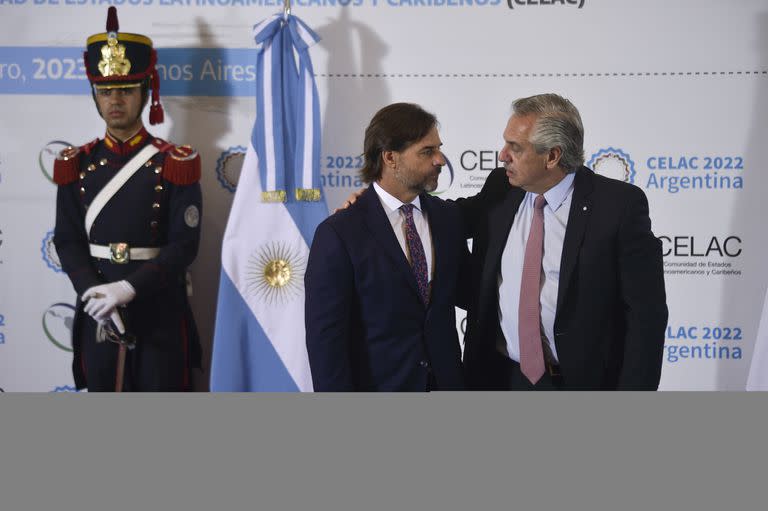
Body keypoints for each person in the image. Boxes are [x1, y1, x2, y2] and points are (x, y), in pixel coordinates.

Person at [459, 93, 668, 390]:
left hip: (580, 385)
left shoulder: (618, 207)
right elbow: (449, 219)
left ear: (552, 156)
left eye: (515, 147)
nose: (503, 155)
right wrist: (377, 204)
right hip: (501, 378)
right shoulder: (501, 188)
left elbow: (646, 316)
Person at [53, 7, 202, 391]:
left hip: (158, 311)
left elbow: (184, 246)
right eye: (105, 91)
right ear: (95, 96)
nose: (114, 100)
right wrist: (94, 291)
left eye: (125, 90)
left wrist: (129, 288)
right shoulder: (76, 164)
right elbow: (68, 241)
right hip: (98, 310)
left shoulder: (175, 162)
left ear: (145, 93)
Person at [304, 103, 468, 391]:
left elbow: (471, 294)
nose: (440, 159)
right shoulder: (339, 234)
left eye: (438, 148)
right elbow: (326, 343)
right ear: (390, 157)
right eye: (427, 151)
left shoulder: (447, 219)